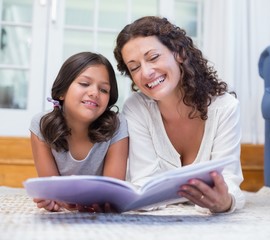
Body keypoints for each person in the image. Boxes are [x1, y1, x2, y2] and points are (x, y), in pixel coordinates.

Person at [113, 16, 244, 214]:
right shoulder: (137, 108)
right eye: (135, 67)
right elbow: (144, 183)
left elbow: (229, 181)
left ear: (180, 53)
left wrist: (225, 202)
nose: (146, 72)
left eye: (153, 57)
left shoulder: (225, 108)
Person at [29, 52, 129, 212]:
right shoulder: (41, 125)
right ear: (62, 92)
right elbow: (52, 191)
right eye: (84, 83)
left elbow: (113, 192)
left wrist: (71, 199)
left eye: (104, 90)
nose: (95, 93)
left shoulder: (117, 125)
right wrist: (53, 201)